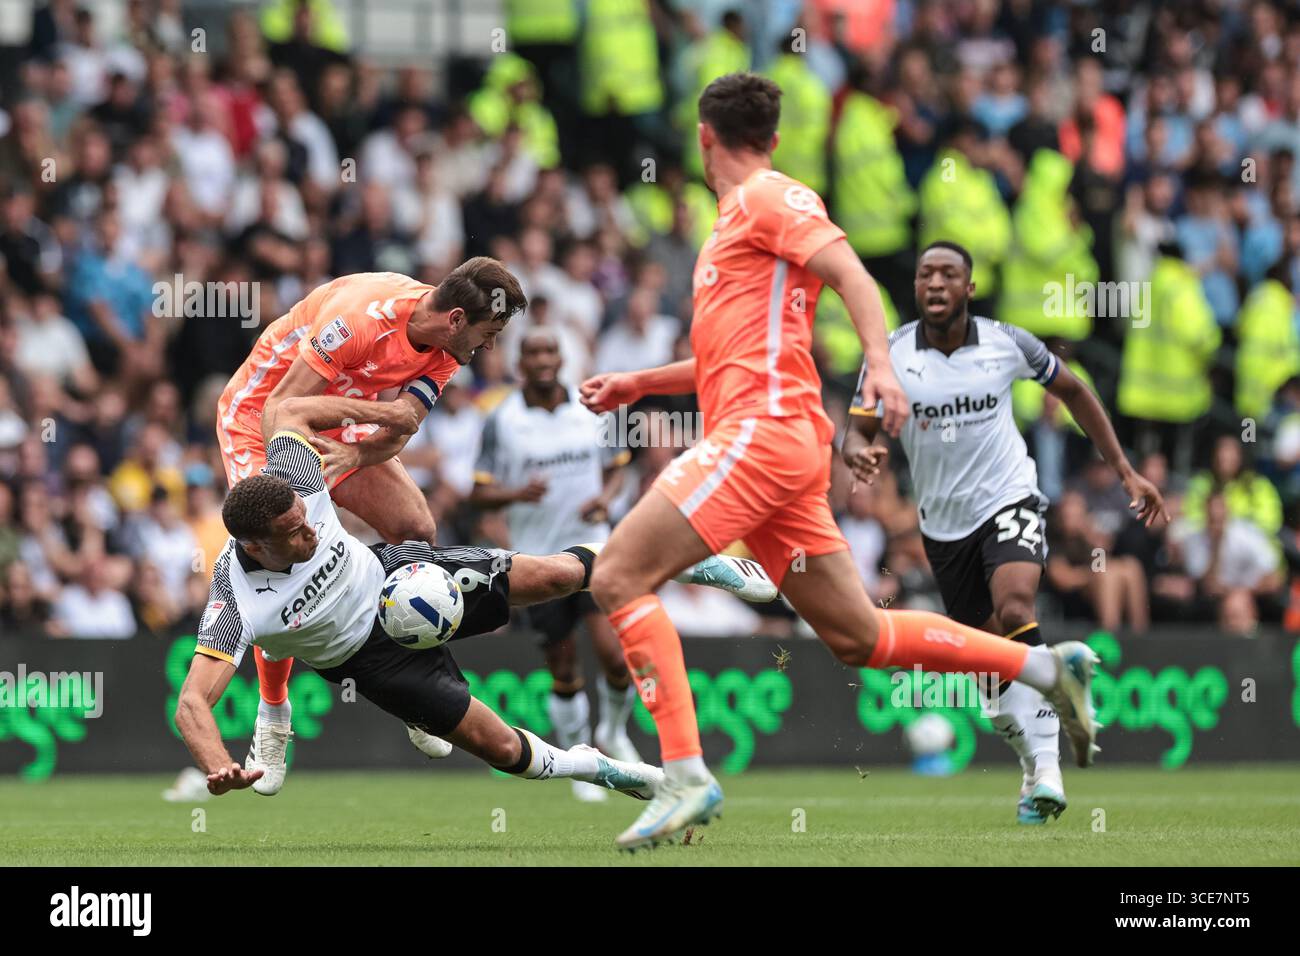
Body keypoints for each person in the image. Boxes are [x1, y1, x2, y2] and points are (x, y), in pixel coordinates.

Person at [579, 73, 1103, 851]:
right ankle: (1043, 670)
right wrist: (640, 384)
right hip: (774, 446)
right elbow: (722, 357)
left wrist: (880, 368)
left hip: (760, 435)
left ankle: (684, 772)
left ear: (703, 137)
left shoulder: (766, 197)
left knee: (617, 575)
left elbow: (854, 275)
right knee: (860, 637)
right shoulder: (732, 224)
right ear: (775, 134)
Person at [176, 392, 661, 801]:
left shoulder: (294, 477)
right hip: (369, 662)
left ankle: (696, 562)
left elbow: (285, 410)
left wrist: (388, 414)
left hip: (400, 577)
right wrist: (219, 765)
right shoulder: (233, 599)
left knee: (557, 576)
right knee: (504, 752)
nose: (312, 531)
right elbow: (192, 702)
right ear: (255, 546)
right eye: (294, 533)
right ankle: (596, 768)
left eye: (307, 517)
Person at [842, 241, 1168, 823]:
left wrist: (1123, 469)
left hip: (1009, 497)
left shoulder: (1006, 342)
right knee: (991, 677)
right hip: (943, 528)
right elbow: (857, 429)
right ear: (916, 288)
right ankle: (1033, 759)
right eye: (925, 275)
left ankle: (1050, 768)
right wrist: (861, 453)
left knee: (1016, 604)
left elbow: (1072, 390)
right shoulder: (888, 354)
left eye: (948, 274)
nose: (936, 283)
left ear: (969, 287)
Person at [216, 258, 527, 794]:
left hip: (341, 420)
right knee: (287, 559)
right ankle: (273, 713)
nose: (491, 347)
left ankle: (414, 678)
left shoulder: (448, 351)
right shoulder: (360, 318)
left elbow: (401, 431)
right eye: (489, 333)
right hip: (258, 422)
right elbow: (284, 408)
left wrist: (354, 457)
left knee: (416, 529)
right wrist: (384, 418)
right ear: (456, 318)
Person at [471, 329, 774, 800]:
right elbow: (479, 492)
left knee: (615, 656)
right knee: (563, 667)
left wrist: (605, 500)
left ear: (561, 357)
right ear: (521, 363)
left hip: (596, 553)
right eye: (534, 353)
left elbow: (618, 465)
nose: (544, 359)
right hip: (537, 563)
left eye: (551, 350)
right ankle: (580, 755)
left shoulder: (589, 410)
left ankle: (613, 731)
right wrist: (517, 494)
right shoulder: (501, 420)